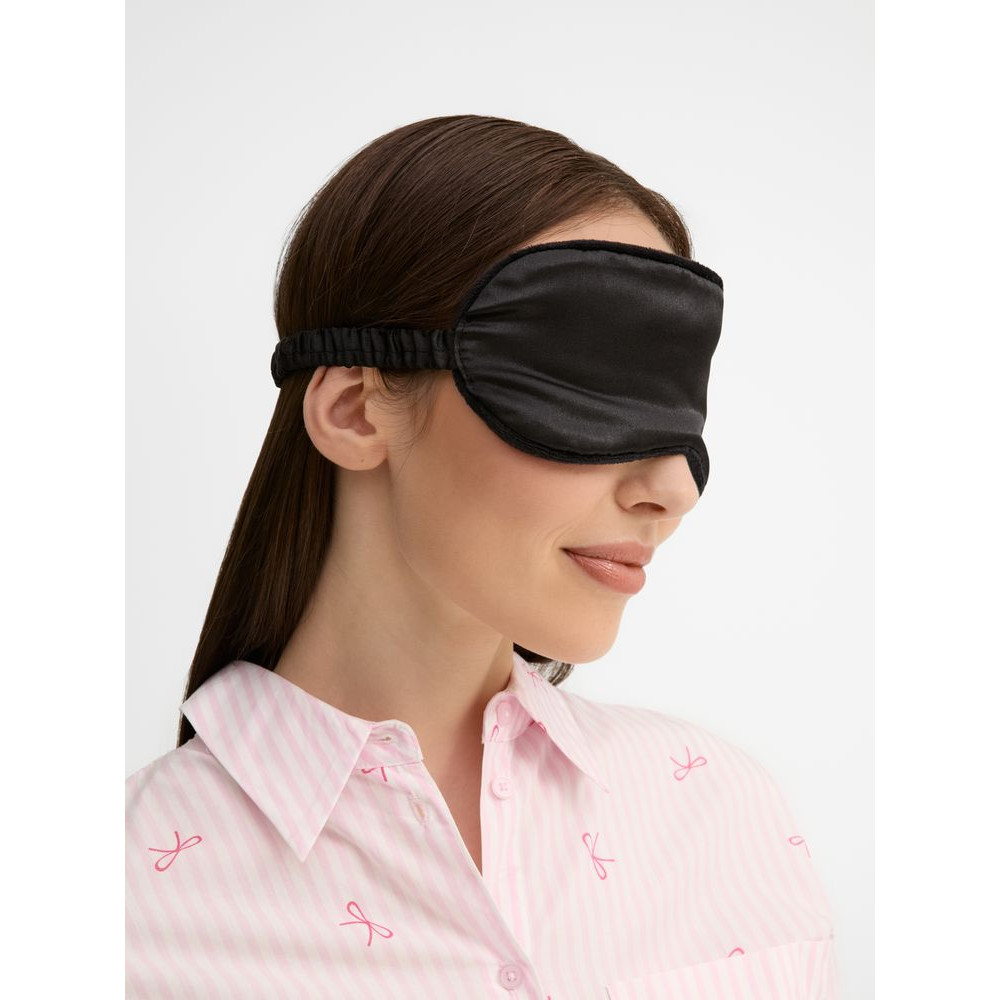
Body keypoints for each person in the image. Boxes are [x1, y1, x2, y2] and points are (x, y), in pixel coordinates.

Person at [126, 114, 840, 998]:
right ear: (354, 410)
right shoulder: (119, 910)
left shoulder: (721, 813)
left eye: (675, 408)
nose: (673, 489)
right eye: (590, 389)